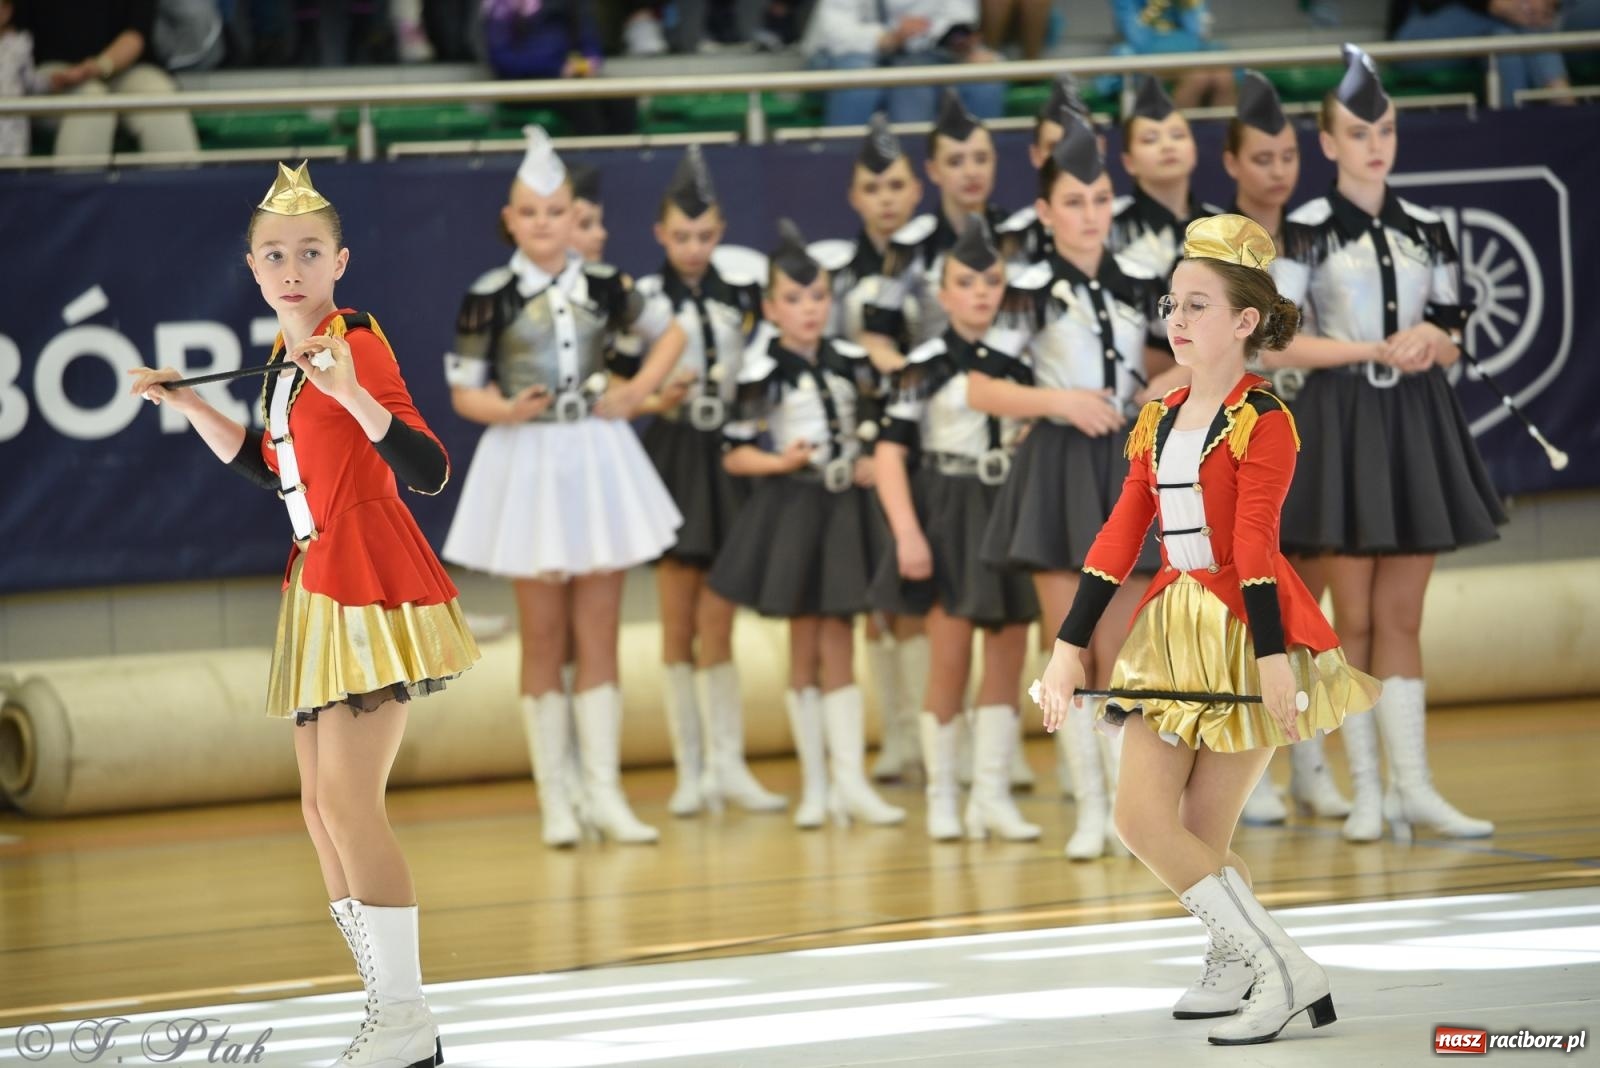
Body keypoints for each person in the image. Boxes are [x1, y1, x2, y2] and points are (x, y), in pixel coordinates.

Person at [128, 162, 479, 1068]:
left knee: (351, 804)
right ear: (250, 268)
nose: (292, 267)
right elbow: (276, 473)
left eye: (309, 253)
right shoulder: (287, 359)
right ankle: (389, 1012)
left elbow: (429, 467)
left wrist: (350, 392)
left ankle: (405, 1017)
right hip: (317, 578)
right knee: (320, 808)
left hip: (367, 577)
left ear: (341, 261)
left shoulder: (353, 340)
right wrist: (189, 403)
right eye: (274, 254)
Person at [1035, 213, 1379, 1045]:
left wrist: (1272, 660)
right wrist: (1067, 645)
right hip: (1172, 620)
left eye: (1196, 305)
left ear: (1244, 321)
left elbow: (1255, 547)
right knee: (1158, 823)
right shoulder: (1157, 420)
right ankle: (1246, 957)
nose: (1175, 321)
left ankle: (1279, 966)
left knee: (1185, 831)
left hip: (1246, 628)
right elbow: (1121, 538)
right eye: (1171, 304)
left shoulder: (1268, 422)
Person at [1266, 45, 1505, 842]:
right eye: (1358, 133)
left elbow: (1455, 329)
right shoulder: (1305, 228)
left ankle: (1416, 787)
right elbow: (1274, 343)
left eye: (1387, 130)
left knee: (1404, 614)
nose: (1376, 143)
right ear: (1328, 144)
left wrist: (1432, 342)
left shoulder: (1426, 227)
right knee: (1353, 614)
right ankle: (1365, 791)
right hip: (1341, 420)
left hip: (1415, 418)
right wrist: (1369, 350)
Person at [441, 127, 684, 849]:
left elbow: (670, 334)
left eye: (557, 211)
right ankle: (557, 796)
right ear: (511, 220)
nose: (545, 224)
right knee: (543, 634)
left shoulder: (608, 285)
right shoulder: (488, 295)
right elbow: (463, 392)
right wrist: (505, 410)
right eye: (530, 213)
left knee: (601, 629)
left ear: (575, 215)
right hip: (528, 463)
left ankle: (604, 792)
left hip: (599, 456)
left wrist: (635, 390)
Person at [976, 115, 1163, 860]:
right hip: (1057, 466)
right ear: (1046, 213)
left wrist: (1171, 386)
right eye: (1074, 202)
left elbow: (1168, 368)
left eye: (1100, 198)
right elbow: (981, 388)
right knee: (1071, 641)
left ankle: (1128, 810)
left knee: (1121, 643)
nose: (1090, 214)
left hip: (1122, 465)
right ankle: (1089, 807)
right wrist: (1061, 400)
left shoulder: (1141, 282)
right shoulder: (1026, 287)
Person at [708, 221, 907, 830]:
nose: (808, 309)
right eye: (793, 300)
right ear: (771, 307)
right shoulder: (758, 370)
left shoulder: (852, 361)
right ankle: (816, 786)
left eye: (817, 297)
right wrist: (780, 461)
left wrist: (874, 458)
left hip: (845, 511)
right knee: (803, 643)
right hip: (792, 510)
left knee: (841, 637)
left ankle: (850, 781)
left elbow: (887, 425)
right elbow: (733, 451)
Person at [870, 216, 1041, 842]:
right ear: (941, 296)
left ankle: (989, 795)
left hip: (1007, 503)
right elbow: (890, 452)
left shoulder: (1021, 364)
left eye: (990, 280)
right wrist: (907, 534)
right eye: (964, 282)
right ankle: (943, 794)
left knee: (1007, 653)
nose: (979, 292)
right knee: (949, 654)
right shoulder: (924, 364)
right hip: (948, 504)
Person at [629, 145, 788, 817]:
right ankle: (690, 771)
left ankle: (729, 767)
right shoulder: (641, 299)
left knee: (720, 618)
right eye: (680, 235)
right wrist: (652, 397)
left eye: (704, 234)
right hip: (670, 450)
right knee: (675, 620)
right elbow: (612, 383)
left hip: (726, 451)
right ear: (660, 235)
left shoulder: (746, 293)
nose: (692, 246)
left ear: (719, 234)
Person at [1219, 71, 1354, 826]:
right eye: (1261, 157)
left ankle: (1307, 760)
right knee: (1248, 592)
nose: (1278, 170)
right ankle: (1254, 764)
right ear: (1233, 163)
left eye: (1288, 156)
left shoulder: (1313, 230)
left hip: (1314, 428)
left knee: (1314, 599)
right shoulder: (1215, 243)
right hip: (1241, 435)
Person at [808, 114, 933, 786]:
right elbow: (827, 370)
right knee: (882, 597)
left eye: (896, 184)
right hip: (868, 452)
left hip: (935, 444)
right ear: (855, 198)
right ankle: (900, 737)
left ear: (916, 189)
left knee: (938, 594)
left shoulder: (942, 264)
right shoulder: (836, 275)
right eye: (872, 188)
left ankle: (947, 738)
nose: (886, 197)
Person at [14, 0, 200, 158]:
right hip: (51, 72)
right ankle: (76, 198)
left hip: (123, 66)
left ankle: (185, 195)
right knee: (92, 102)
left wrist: (99, 66)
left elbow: (136, 33)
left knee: (159, 95)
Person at [803, 0, 1004, 126]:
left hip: (926, 53)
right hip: (850, 52)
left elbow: (959, 14)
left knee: (985, 79)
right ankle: (842, 165)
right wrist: (889, 37)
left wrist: (959, 41)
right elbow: (836, 31)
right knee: (860, 82)